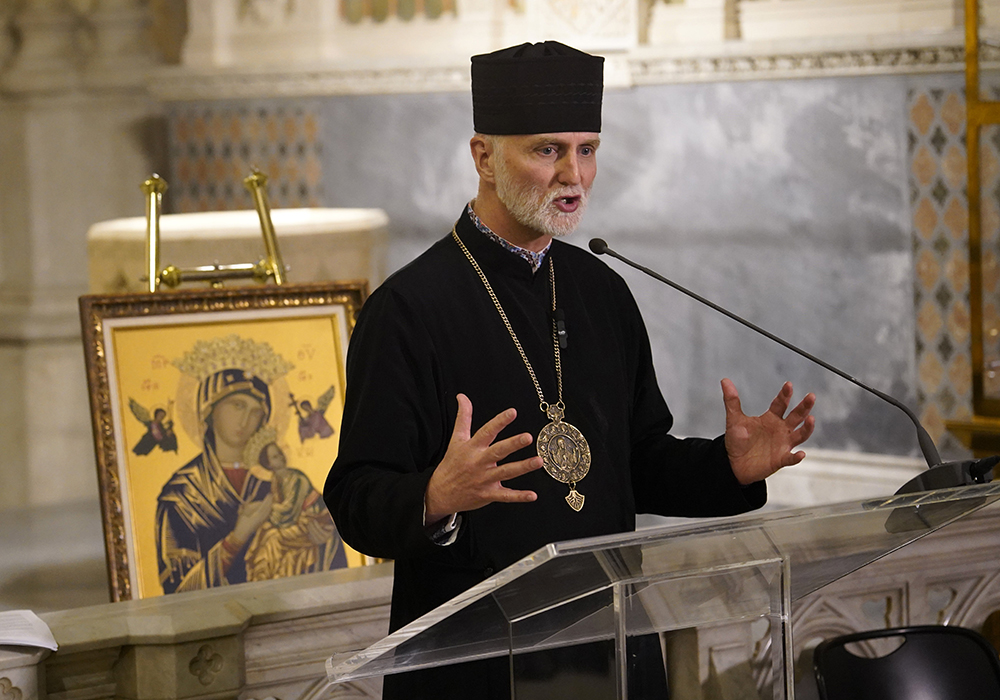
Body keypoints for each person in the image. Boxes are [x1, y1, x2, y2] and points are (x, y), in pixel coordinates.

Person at [324, 41, 815, 699]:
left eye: (587, 150)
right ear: (484, 158)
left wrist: (726, 468)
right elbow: (356, 496)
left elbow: (635, 464)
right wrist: (436, 496)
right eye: (547, 150)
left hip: (610, 657)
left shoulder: (599, 291)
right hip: (476, 669)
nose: (574, 175)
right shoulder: (409, 310)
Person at [155, 368, 276, 593]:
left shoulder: (273, 482)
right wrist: (236, 539)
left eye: (256, 412)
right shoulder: (182, 495)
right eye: (238, 405)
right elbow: (178, 591)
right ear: (210, 410)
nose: (245, 420)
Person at [243, 429, 348, 580]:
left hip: (312, 521)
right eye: (274, 456)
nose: (279, 457)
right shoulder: (275, 481)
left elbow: (289, 510)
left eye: (279, 453)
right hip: (292, 523)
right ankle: (261, 578)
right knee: (264, 532)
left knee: (273, 537)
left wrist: (265, 511)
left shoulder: (297, 478)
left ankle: (263, 578)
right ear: (268, 464)